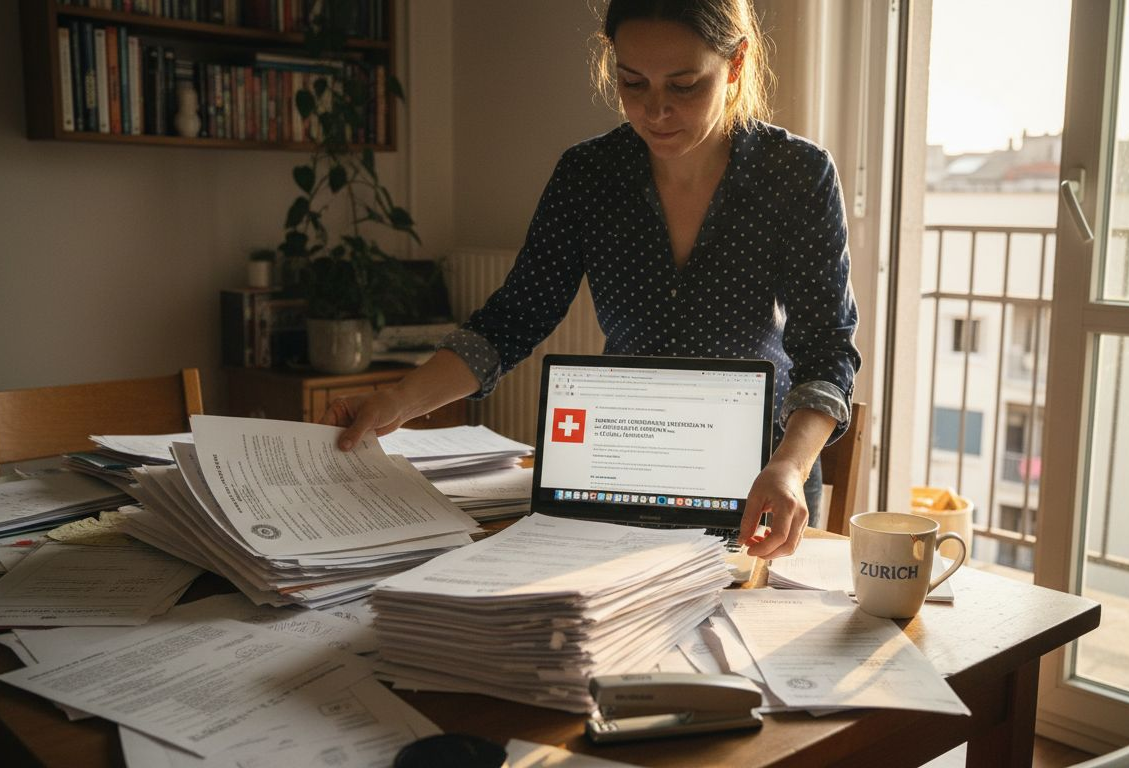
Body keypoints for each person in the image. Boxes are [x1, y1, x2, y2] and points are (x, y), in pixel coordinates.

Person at [322, 0, 860, 560]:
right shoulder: (589, 175)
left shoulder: (795, 174)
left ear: (736, 63)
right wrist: (397, 401)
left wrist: (791, 467)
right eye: (633, 82)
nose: (656, 111)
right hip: (618, 467)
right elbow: (513, 320)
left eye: (684, 86)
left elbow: (827, 347)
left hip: (759, 478)